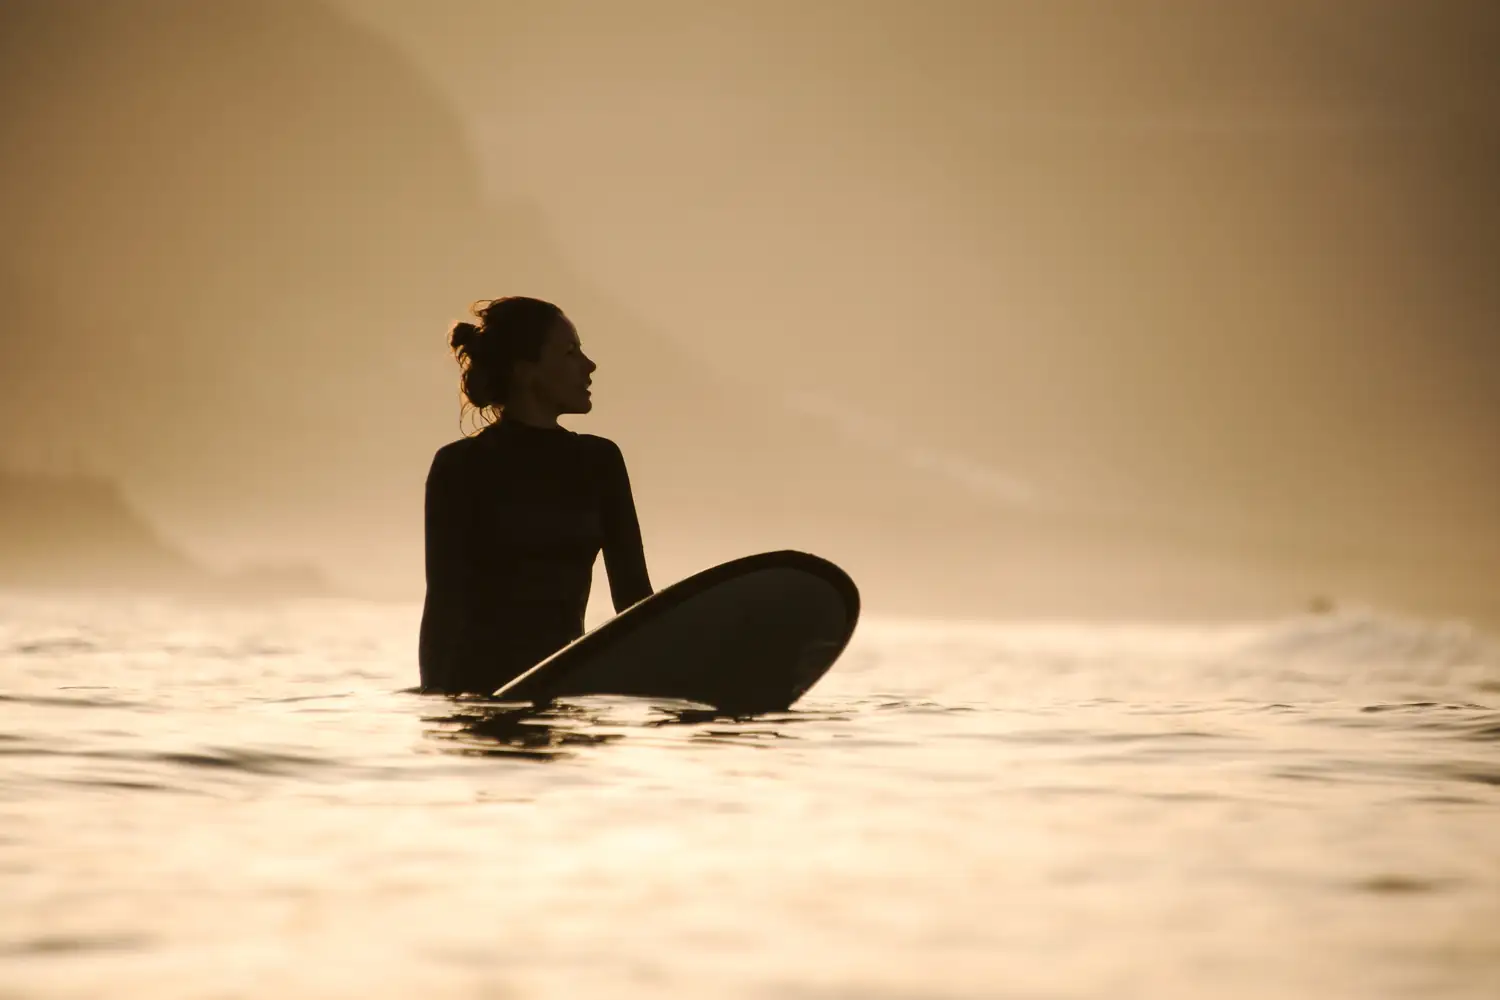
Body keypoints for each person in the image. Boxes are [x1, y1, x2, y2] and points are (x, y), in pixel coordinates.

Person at [418, 297, 652, 694]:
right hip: (480, 697)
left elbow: (634, 601)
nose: (588, 365)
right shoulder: (459, 467)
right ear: (525, 370)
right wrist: (440, 706)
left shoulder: (599, 462)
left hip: (564, 688)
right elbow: (443, 608)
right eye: (570, 351)